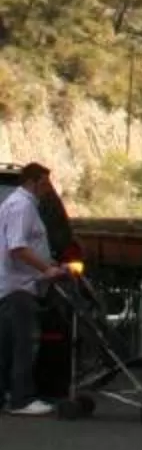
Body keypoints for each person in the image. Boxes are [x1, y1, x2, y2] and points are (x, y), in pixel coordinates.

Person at [0, 161, 61, 415]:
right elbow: (18, 247)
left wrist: (50, 263)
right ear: (32, 181)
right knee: (23, 343)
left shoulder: (19, 205)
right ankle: (21, 399)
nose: (48, 189)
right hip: (19, 286)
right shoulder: (22, 206)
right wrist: (45, 269)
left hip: (16, 284)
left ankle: (6, 394)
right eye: (45, 183)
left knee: (6, 344)